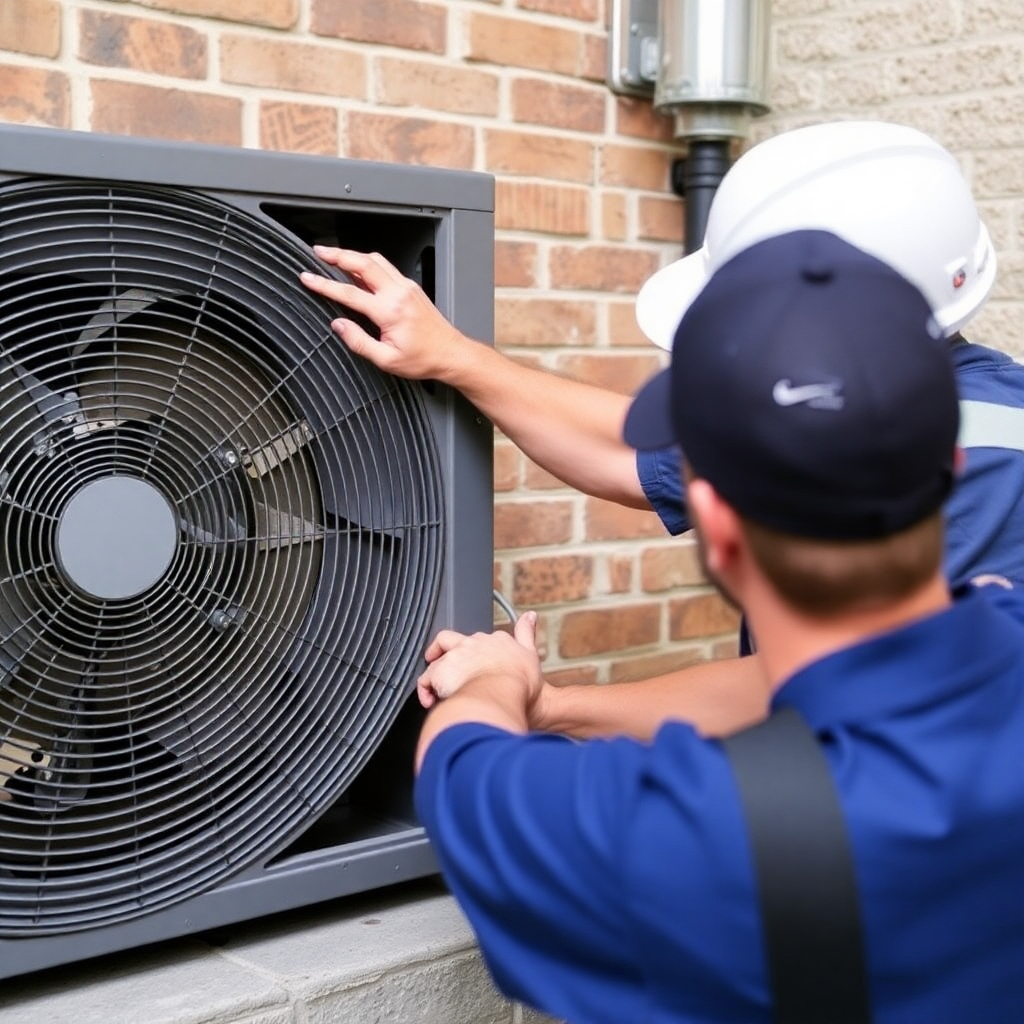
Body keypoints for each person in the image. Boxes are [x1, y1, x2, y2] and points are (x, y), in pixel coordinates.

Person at [411, 229, 1024, 1024]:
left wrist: (494, 680)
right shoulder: (1004, 620)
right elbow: (788, 681)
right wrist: (555, 705)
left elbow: (460, 774)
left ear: (715, 527)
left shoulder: (703, 839)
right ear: (953, 473)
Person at [299, 119, 1024, 738]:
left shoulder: (983, 473)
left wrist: (532, 700)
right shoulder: (887, 411)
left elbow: (804, 688)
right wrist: (457, 358)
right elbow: (633, 451)